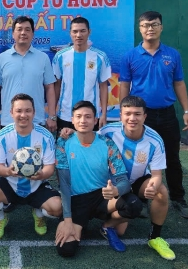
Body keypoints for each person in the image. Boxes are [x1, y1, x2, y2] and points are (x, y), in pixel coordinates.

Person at [119, 11, 188, 219]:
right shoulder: (130, 56)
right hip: (142, 116)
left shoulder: (173, 55)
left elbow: (179, 83)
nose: (149, 29)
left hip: (167, 115)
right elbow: (124, 85)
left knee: (172, 158)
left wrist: (187, 110)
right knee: (140, 159)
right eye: (145, 25)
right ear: (140, 29)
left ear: (161, 27)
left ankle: (178, 198)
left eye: (154, 24)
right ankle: (141, 200)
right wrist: (124, 113)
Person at [55, 101, 142, 258]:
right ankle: (80, 224)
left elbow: (123, 180)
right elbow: (64, 185)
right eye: (78, 117)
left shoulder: (107, 143)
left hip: (102, 196)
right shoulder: (63, 142)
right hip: (76, 200)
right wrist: (68, 220)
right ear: (72, 120)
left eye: (88, 117)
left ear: (95, 120)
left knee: (133, 205)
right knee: (66, 250)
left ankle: (107, 226)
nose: (83, 120)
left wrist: (115, 190)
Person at [99, 96, 175, 260]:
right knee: (121, 231)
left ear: (144, 116)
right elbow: (87, 140)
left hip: (137, 181)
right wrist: (70, 132)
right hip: (113, 184)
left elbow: (156, 175)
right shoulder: (107, 132)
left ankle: (155, 237)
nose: (132, 118)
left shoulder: (155, 140)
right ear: (120, 115)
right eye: (128, 114)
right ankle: (109, 218)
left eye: (137, 114)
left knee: (161, 191)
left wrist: (153, 186)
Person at [0, 93, 62, 240]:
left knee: (57, 208)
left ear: (34, 112)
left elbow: (50, 167)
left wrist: (41, 174)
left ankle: (38, 213)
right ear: (11, 113)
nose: (23, 115)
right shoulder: (2, 136)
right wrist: (8, 171)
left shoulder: (45, 136)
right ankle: (1, 219)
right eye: (19, 111)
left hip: (37, 185)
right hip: (11, 183)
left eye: (28, 111)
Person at [0, 16, 57, 133]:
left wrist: (52, 116)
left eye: (27, 29)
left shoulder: (43, 58)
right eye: (19, 29)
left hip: (36, 121)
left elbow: (50, 88)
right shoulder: (2, 58)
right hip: (9, 121)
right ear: (13, 34)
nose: (23, 33)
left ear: (32, 34)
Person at [52, 17, 112, 132]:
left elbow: (103, 86)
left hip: (90, 116)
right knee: (65, 144)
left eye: (82, 31)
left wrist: (104, 114)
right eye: (75, 31)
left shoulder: (100, 57)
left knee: (90, 143)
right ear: (70, 33)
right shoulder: (60, 56)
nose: (78, 35)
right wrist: (52, 114)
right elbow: (56, 86)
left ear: (89, 32)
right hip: (65, 115)